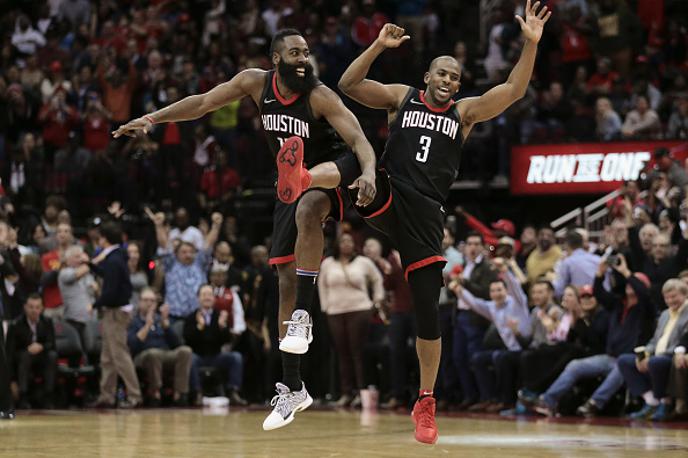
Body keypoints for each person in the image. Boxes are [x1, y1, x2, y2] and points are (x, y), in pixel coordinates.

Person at [113, 28, 377, 430]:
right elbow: (202, 103)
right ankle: (293, 388)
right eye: (295, 52)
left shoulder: (320, 95)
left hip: (337, 168)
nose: (303, 58)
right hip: (289, 181)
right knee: (283, 277)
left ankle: (303, 184)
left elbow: (359, 139)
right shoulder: (254, 83)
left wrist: (371, 172)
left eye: (306, 52)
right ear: (276, 59)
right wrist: (153, 117)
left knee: (308, 205)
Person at [337, 1, 551, 443]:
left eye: (454, 76)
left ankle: (426, 400)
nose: (449, 81)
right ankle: (310, 181)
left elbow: (512, 89)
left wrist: (529, 46)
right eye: (443, 74)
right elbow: (349, 84)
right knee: (350, 170)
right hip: (390, 191)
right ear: (428, 77)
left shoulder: (465, 113)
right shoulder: (401, 97)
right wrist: (377, 45)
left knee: (427, 314)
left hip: (426, 215)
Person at [318, 232, 384, 407]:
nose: (346, 244)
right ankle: (346, 392)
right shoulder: (328, 264)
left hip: (359, 309)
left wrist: (376, 300)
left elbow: (377, 279)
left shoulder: (363, 262)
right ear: (337, 244)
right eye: (343, 241)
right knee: (342, 352)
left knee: (357, 351)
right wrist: (326, 307)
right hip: (335, 311)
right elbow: (321, 286)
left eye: (350, 241)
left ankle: (361, 392)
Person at [88, 222, 142, 408]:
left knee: (119, 355)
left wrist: (95, 304)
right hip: (116, 311)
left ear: (104, 238)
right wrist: (91, 266)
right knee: (108, 357)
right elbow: (109, 276)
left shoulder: (113, 259)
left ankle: (134, 395)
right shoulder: (117, 257)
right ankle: (107, 395)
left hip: (115, 313)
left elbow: (110, 291)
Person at [127, 287, 193, 407]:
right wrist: (147, 326)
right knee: (153, 354)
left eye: (152, 301)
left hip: (165, 353)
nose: (149, 303)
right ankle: (155, 393)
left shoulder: (160, 319)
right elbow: (132, 346)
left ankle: (180, 394)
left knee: (185, 351)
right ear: (139, 302)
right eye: (146, 300)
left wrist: (166, 326)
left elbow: (176, 344)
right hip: (143, 355)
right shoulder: (134, 321)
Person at [7, 294, 57, 409]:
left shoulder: (47, 322)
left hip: (41, 357)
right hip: (21, 359)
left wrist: (41, 346)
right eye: (31, 307)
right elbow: (9, 354)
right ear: (25, 307)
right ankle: (23, 397)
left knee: (52, 356)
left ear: (42, 308)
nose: (34, 310)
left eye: (37, 307)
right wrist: (11, 380)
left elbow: (52, 344)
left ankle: (48, 396)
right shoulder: (15, 325)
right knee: (25, 355)